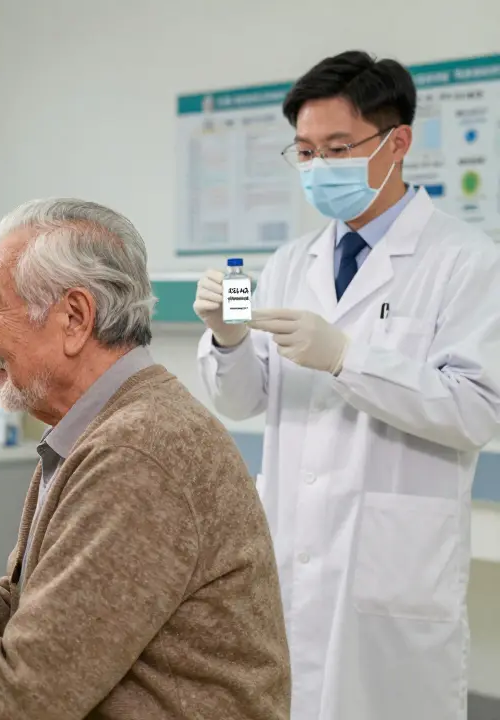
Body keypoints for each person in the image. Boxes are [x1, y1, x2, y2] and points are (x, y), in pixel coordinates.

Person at [0, 198, 292, 719]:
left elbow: (30, 687)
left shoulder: (137, 451)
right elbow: (22, 632)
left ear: (75, 318)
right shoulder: (92, 430)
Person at [194, 50, 500, 720]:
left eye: (337, 147)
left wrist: (346, 360)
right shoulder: (286, 263)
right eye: (304, 151)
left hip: (391, 573)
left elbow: (476, 410)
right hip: (288, 554)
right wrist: (228, 337)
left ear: (398, 144)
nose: (318, 167)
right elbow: (241, 400)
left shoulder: (467, 263)